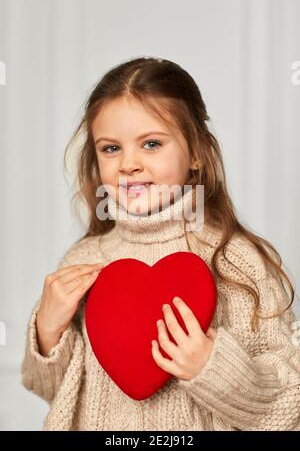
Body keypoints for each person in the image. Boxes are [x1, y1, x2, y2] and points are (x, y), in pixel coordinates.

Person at [21, 56, 300, 431]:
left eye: (151, 144)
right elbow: (56, 393)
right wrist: (47, 331)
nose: (128, 164)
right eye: (110, 148)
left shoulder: (236, 262)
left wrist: (212, 368)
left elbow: (290, 402)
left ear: (197, 153)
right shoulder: (84, 259)